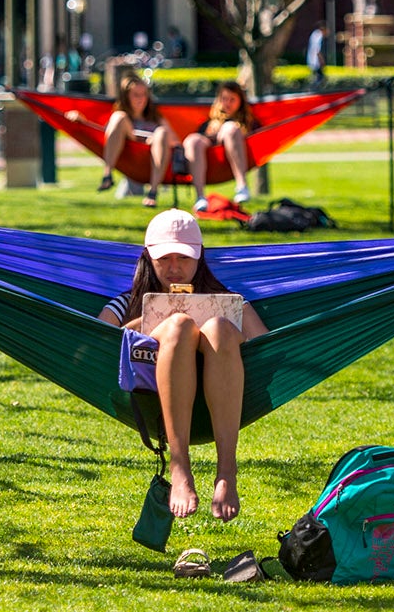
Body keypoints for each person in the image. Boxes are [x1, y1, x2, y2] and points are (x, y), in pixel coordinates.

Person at [98, 210, 268, 521]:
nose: (175, 268)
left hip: (220, 392)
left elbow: (267, 346)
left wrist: (221, 322)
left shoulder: (226, 299)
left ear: (200, 257)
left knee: (218, 326)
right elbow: (97, 344)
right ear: (148, 257)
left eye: (184, 258)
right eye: (165, 259)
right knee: (177, 325)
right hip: (153, 396)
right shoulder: (128, 302)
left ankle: (226, 472)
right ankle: (180, 468)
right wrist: (150, 321)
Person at [96, 74, 174, 208]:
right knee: (119, 117)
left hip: (153, 159)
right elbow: (99, 133)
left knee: (161, 132)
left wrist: (153, 139)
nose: (141, 99)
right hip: (130, 155)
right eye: (136, 95)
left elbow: (175, 143)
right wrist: (80, 120)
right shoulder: (120, 118)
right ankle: (107, 174)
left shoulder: (156, 118)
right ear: (126, 97)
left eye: (144, 94)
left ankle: (153, 192)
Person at [183, 80, 255, 214]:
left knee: (230, 129)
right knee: (192, 140)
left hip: (231, 154)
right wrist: (213, 133)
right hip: (209, 156)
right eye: (224, 99)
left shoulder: (247, 121)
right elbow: (201, 137)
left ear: (240, 101)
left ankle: (242, 186)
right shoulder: (210, 122)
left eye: (232, 99)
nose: (227, 103)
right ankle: (200, 197)